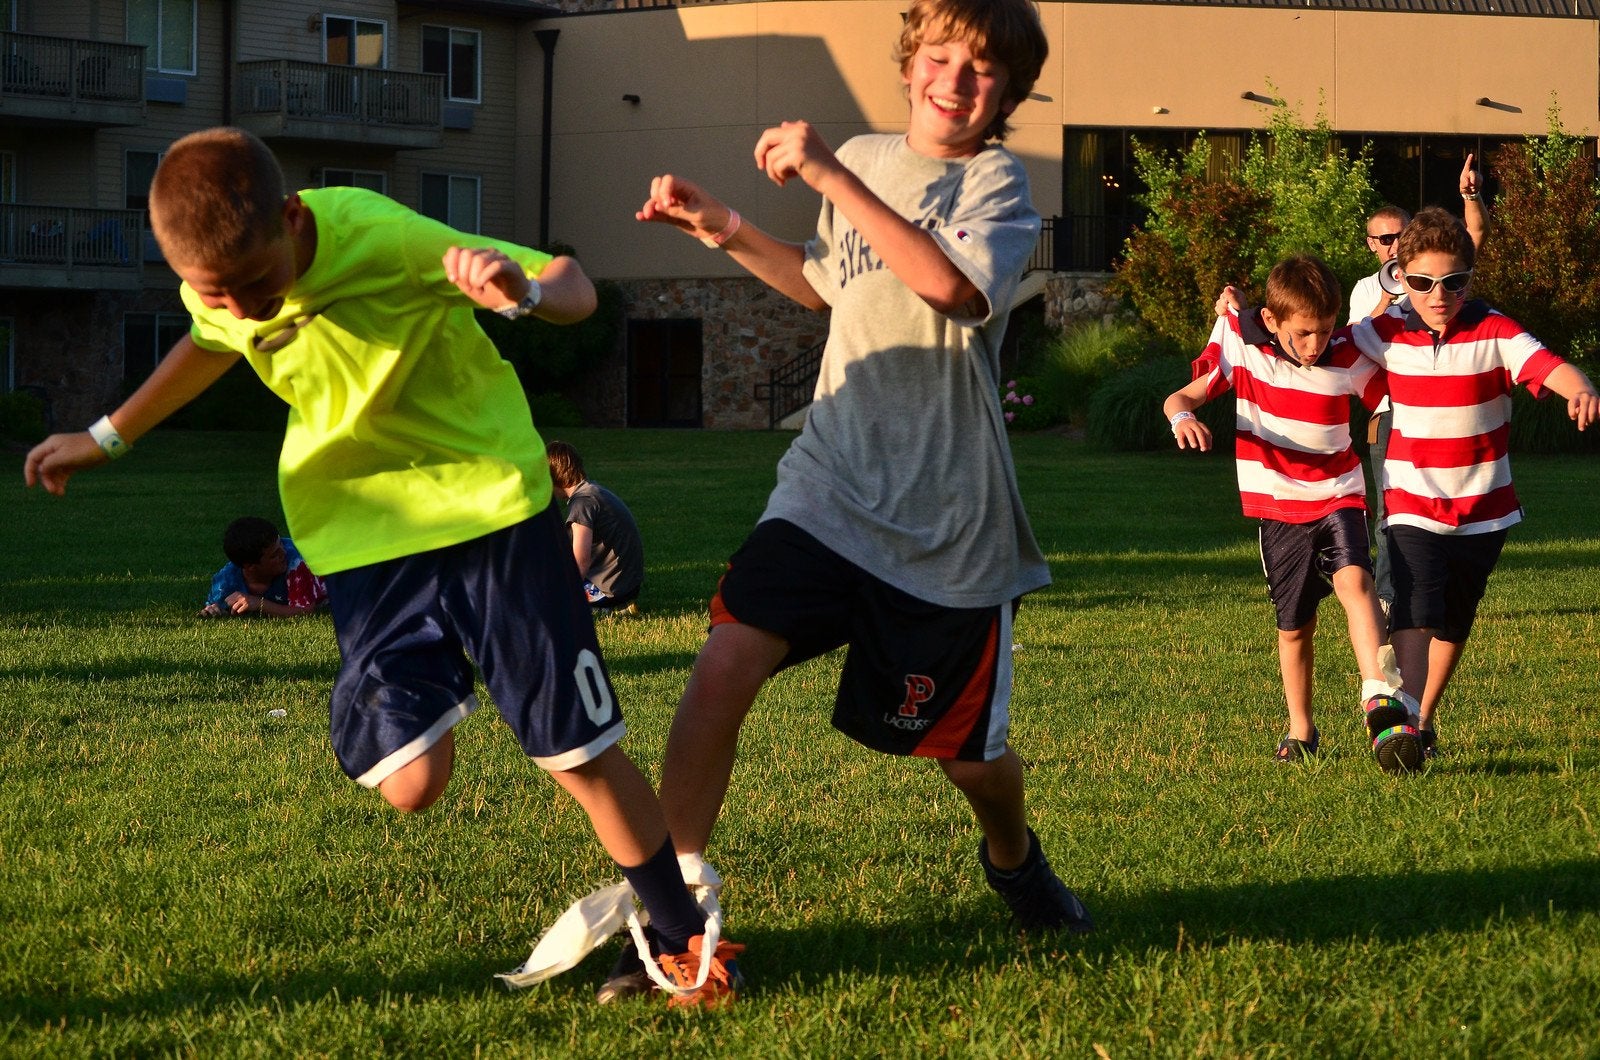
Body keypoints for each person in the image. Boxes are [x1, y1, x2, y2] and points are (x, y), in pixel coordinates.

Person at [23, 127, 741, 1008]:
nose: (246, 311)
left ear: (293, 218)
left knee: (575, 753)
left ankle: (681, 936)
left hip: (492, 515)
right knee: (411, 784)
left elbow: (576, 287)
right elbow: (209, 342)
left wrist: (517, 294)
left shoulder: (378, 234)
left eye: (257, 287)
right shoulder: (222, 282)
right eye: (221, 293)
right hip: (365, 539)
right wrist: (106, 436)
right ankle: (405, 684)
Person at [615, 0, 1085, 1003]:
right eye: (942, 55)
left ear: (1009, 92)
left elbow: (950, 290)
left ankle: (1012, 856)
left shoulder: (998, 183)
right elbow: (835, 285)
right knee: (721, 665)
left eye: (985, 69)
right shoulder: (865, 157)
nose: (957, 79)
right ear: (911, 59)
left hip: (946, 525)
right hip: (826, 487)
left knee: (967, 763)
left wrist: (830, 174)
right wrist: (726, 229)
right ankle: (669, 919)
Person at [1349, 206, 1599, 761]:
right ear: (1400, 277)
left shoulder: (1494, 328)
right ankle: (1403, 725)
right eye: (1421, 283)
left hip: (1484, 508)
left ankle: (1423, 717)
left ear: (1470, 278)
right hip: (1411, 499)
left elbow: (1549, 365)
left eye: (1453, 282)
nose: (1438, 296)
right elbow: (1311, 342)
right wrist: (1242, 319)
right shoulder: (1381, 332)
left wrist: (1579, 387)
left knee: (1456, 618)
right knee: (1415, 602)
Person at [1165, 255, 1417, 771]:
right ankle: (1302, 730)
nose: (1314, 345)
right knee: (1294, 626)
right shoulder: (1242, 348)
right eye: (1303, 334)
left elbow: (1390, 400)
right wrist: (1183, 417)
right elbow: (1183, 393)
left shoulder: (1347, 356)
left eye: (1325, 331)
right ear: (1274, 321)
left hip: (1339, 493)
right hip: (1278, 507)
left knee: (1357, 583)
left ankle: (1382, 702)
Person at [1351, 157, 1490, 613]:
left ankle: (1437, 591)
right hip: (1391, 412)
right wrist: (1396, 295)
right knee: (1392, 511)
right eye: (1385, 239)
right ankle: (1393, 597)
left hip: (1443, 409)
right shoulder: (1365, 289)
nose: (1393, 246)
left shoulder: (1440, 279)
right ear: (1372, 244)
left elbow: (1475, 238)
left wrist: (1470, 197)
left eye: (1400, 235)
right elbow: (1356, 342)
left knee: (1445, 510)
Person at [545, 440, 645, 616]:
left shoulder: (582, 503)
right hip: (628, 587)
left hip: (609, 591)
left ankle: (605, 608)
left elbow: (580, 561)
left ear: (552, 476)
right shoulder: (594, 491)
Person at [199, 515, 328, 618]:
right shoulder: (226, 582)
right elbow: (215, 606)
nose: (283, 553)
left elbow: (305, 611)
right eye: (274, 555)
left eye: (281, 544)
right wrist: (214, 610)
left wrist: (259, 604)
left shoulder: (296, 562)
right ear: (250, 566)